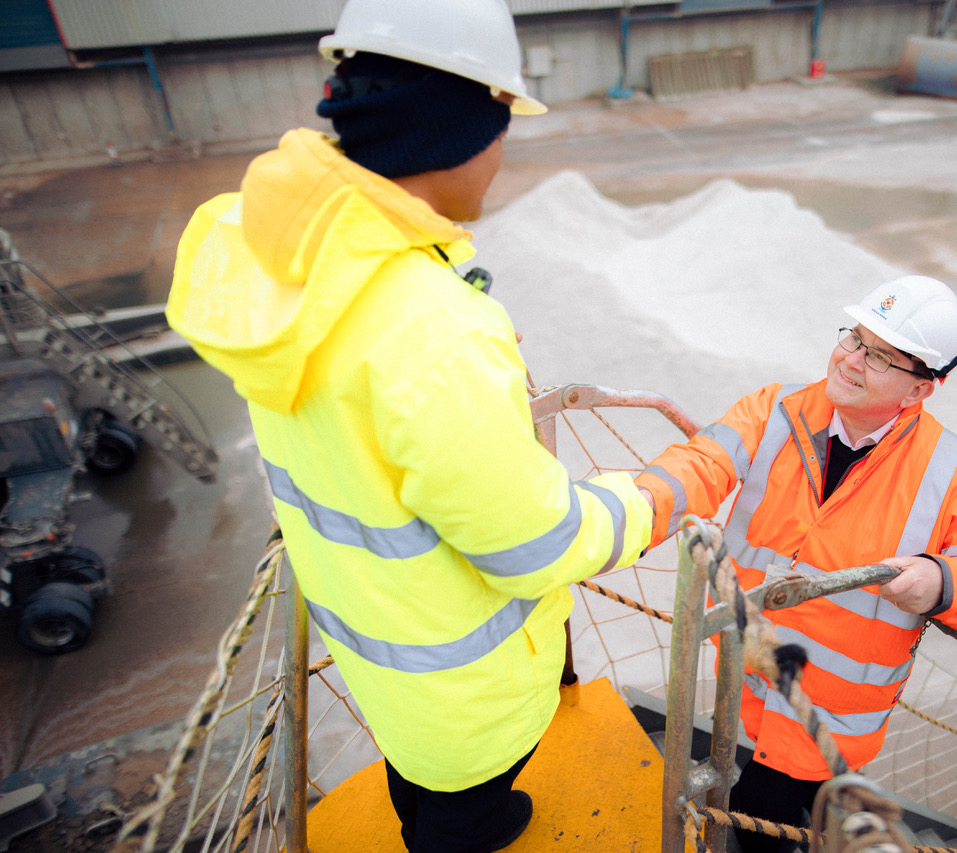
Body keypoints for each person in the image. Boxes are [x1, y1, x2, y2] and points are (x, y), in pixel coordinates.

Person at [165, 1, 653, 851]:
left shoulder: (276, 247)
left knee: (415, 770)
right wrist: (655, 494)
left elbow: (361, 385)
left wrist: (446, 343)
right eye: (502, 127)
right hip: (463, 684)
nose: (502, 159)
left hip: (374, 637)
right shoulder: (431, 334)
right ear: (456, 128)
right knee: (461, 809)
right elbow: (535, 543)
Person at [634, 275, 957, 853]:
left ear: (921, 390)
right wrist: (634, 509)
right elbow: (702, 463)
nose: (851, 360)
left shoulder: (950, 470)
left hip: (833, 717)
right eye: (853, 338)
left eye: (881, 355)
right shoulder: (775, 409)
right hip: (747, 683)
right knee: (763, 805)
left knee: (777, 815)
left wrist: (941, 582)